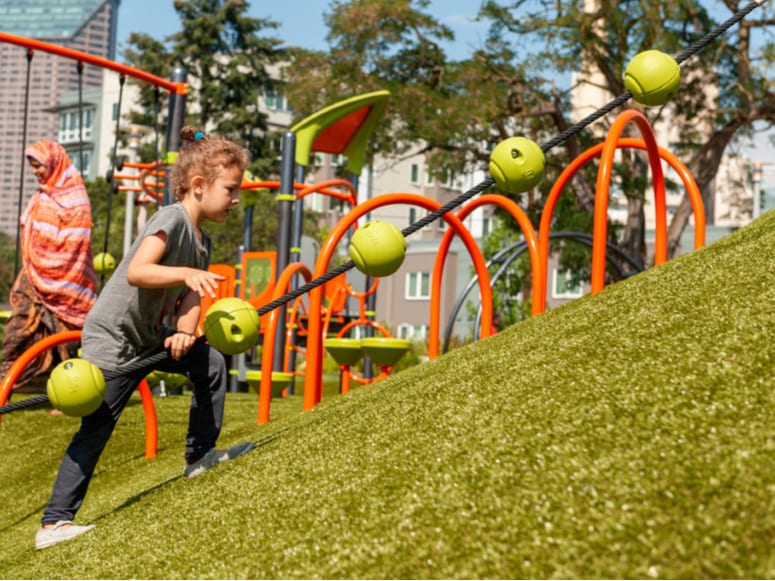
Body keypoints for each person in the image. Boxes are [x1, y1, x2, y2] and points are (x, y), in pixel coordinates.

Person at [35, 126, 255, 550]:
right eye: (230, 189)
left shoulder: (202, 242)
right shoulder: (170, 218)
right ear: (198, 186)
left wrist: (187, 333)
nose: (235, 198)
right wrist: (185, 273)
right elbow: (139, 271)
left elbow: (194, 293)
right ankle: (54, 524)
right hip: (114, 338)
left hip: (150, 337)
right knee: (98, 424)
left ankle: (199, 457)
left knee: (209, 363)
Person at [1, 141, 98, 393]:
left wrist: (54, 268)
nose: (35, 172)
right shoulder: (41, 195)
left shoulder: (76, 199)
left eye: (39, 166)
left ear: (54, 164)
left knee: (65, 344)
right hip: (33, 279)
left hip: (68, 282)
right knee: (18, 331)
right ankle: (5, 388)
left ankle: (72, 395)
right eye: (32, 167)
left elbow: (78, 239)